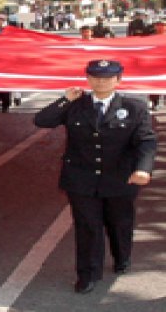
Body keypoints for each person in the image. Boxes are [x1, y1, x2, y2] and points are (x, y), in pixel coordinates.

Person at [34, 60, 157, 294]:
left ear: (118, 80)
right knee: (87, 226)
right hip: (81, 178)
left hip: (120, 178)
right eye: (95, 77)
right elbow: (42, 121)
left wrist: (143, 168)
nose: (101, 81)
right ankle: (88, 274)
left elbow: (146, 141)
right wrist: (65, 99)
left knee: (120, 223)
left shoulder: (135, 107)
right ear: (88, 79)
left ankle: (122, 257)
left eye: (107, 77)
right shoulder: (75, 105)